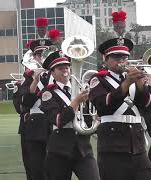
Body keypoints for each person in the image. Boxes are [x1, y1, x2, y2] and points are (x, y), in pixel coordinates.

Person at [89, 37, 151, 180]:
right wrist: (127, 82)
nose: (122, 60)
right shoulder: (98, 79)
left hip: (137, 144)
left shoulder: (132, 79)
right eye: (116, 57)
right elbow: (104, 105)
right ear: (106, 59)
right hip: (112, 146)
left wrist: (140, 84)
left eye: (125, 57)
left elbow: (148, 107)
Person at [39, 51, 100, 180]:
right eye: (60, 68)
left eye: (67, 67)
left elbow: (88, 117)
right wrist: (76, 101)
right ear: (52, 73)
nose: (65, 70)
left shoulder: (79, 89)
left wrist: (96, 118)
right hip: (59, 150)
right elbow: (59, 121)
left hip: (83, 148)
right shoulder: (48, 94)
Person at [19, 39, 53, 180]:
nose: (42, 57)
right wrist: (35, 81)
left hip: (54, 124)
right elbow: (25, 103)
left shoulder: (56, 73)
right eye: (39, 54)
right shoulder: (28, 77)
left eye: (45, 53)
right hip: (36, 127)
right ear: (33, 57)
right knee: (36, 168)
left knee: (55, 167)